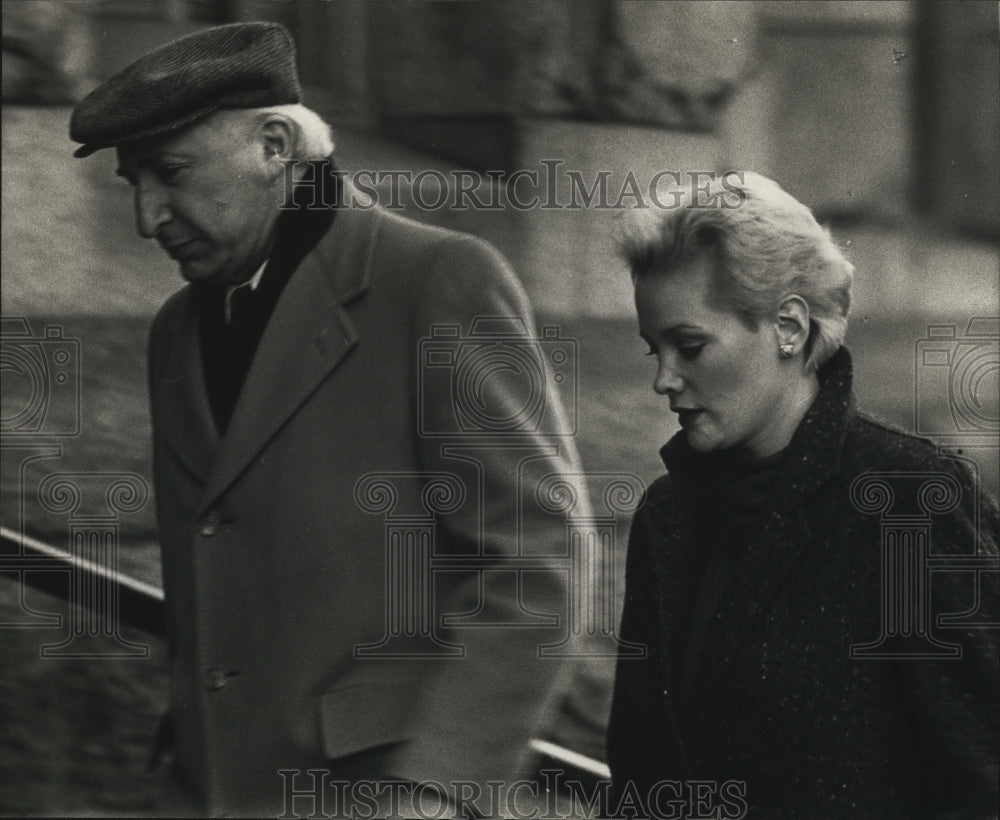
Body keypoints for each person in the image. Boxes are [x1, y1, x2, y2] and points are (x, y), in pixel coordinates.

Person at [70, 22, 588, 818]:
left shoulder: (436, 277)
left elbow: (541, 564)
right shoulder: (176, 329)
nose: (148, 219)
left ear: (276, 143)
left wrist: (438, 789)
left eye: (170, 173)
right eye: (132, 183)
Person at [607, 173, 999, 819]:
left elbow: (981, 774)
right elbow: (639, 775)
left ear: (788, 326)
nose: (662, 378)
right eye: (654, 348)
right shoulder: (666, 516)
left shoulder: (907, 500)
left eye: (690, 345)